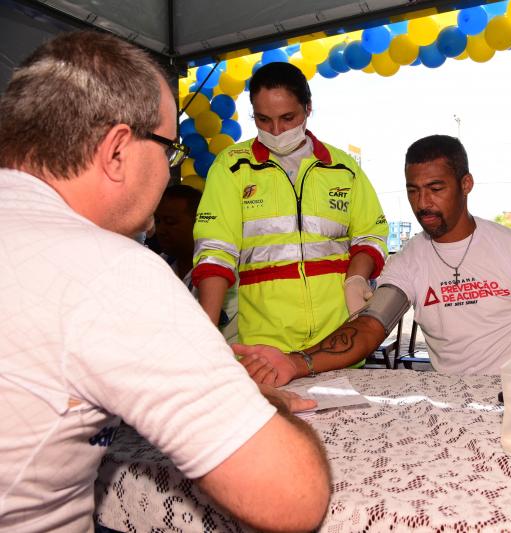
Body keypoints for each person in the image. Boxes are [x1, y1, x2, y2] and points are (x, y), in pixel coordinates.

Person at [0, 31, 330, 531]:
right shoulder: (110, 268)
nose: (168, 172)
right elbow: (293, 498)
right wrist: (242, 398)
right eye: (169, 152)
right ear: (116, 151)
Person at [234, 135, 511, 384]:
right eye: (414, 190)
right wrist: (295, 363)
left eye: (436, 189)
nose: (423, 204)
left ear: (465, 185)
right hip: (449, 401)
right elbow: (370, 328)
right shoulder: (409, 261)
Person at [193, 61, 388, 357]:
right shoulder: (232, 167)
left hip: (337, 340)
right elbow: (215, 252)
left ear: (308, 108)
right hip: (263, 345)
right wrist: (205, 335)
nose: (275, 130)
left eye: (287, 118)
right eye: (262, 119)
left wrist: (356, 278)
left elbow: (370, 235)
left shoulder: (342, 168)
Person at [155, 184, 238, 342]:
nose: (161, 229)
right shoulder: (156, 266)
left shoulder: (223, 275)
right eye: (158, 221)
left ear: (198, 223)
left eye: (170, 222)